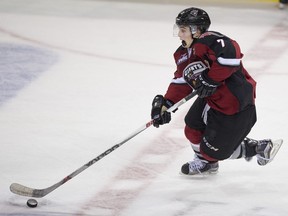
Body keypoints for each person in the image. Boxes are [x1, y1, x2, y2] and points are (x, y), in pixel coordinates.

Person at [150, 7, 283, 175]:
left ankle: (259, 148)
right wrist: (167, 104)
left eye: (183, 30)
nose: (179, 35)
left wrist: (211, 79)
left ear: (196, 30)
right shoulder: (183, 53)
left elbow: (230, 53)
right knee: (192, 129)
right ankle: (207, 164)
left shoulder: (210, 40)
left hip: (234, 106)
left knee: (212, 152)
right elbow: (182, 80)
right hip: (211, 99)